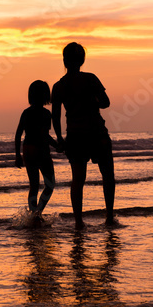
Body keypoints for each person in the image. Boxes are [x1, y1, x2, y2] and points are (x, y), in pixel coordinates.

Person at [51, 42, 117, 229]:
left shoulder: (59, 86)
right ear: (82, 60)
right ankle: (109, 217)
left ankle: (79, 221)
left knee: (78, 179)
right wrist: (92, 99)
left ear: (64, 60)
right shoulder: (91, 79)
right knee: (108, 176)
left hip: (75, 136)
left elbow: (55, 117)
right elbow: (105, 103)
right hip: (97, 133)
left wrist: (59, 138)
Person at [14, 80, 59, 216]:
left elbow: (17, 135)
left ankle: (33, 213)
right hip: (41, 150)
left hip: (28, 149)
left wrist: (18, 155)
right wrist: (57, 145)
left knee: (33, 186)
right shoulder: (46, 114)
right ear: (46, 95)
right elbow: (44, 135)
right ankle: (38, 211)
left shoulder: (26, 112)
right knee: (49, 185)